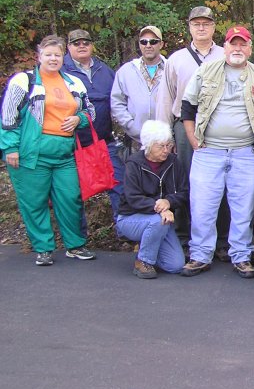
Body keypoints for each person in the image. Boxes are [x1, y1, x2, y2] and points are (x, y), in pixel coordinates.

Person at [180, 26, 254, 279]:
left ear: (250, 49)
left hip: (246, 152)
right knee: (203, 206)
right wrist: (192, 139)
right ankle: (200, 254)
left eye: (243, 44)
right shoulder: (205, 72)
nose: (238, 49)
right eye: (234, 44)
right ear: (225, 47)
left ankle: (241, 255)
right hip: (209, 152)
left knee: (243, 207)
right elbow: (187, 107)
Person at [0, 35, 96, 265]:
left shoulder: (74, 82)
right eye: (48, 54)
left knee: (70, 198)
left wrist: (78, 119)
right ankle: (43, 248)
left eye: (57, 54)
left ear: (63, 57)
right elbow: (8, 116)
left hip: (64, 154)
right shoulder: (23, 81)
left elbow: (90, 111)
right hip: (31, 154)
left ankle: (75, 245)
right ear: (39, 56)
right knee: (34, 202)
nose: (53, 59)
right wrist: (10, 147)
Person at [155, 6, 227, 252]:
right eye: (196, 23)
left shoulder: (225, 54)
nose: (201, 28)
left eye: (206, 23)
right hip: (185, 126)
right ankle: (183, 237)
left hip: (219, 126)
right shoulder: (176, 59)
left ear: (214, 27)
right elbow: (166, 99)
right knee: (184, 180)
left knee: (218, 181)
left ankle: (220, 239)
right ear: (189, 27)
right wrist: (165, 136)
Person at [115, 120, 189, 279]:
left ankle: (149, 246)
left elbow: (184, 192)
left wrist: (168, 201)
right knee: (157, 221)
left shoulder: (174, 162)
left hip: (162, 219)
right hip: (130, 218)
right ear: (148, 145)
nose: (166, 150)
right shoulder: (134, 164)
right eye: (160, 146)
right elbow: (133, 198)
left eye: (168, 145)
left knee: (175, 265)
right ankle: (143, 262)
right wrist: (160, 206)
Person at [63, 29, 124, 217]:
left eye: (86, 42)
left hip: (104, 140)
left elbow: (118, 100)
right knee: (73, 193)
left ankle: (125, 231)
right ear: (68, 47)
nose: (82, 46)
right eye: (76, 43)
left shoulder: (104, 70)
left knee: (119, 184)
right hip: (72, 144)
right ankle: (77, 241)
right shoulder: (61, 71)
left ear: (91, 45)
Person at [111, 26, 167, 155]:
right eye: (143, 42)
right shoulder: (126, 71)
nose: (148, 45)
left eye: (153, 41)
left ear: (161, 44)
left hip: (164, 140)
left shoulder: (171, 69)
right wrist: (130, 125)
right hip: (135, 139)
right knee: (136, 174)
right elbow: (117, 102)